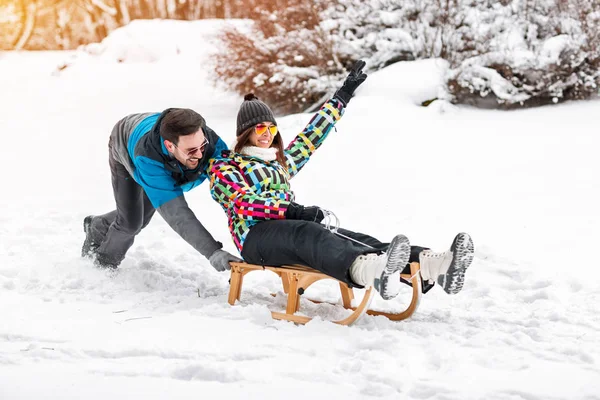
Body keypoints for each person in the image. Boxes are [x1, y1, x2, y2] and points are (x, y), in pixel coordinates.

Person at [208, 60, 475, 300]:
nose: (266, 134)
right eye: (259, 129)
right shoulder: (226, 166)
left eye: (270, 128)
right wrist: (291, 210)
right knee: (309, 233)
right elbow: (242, 202)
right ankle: (370, 272)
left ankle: (435, 265)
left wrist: (343, 96)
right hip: (255, 238)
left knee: (352, 237)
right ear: (245, 132)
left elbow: (311, 137)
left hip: (289, 225)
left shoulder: (280, 163)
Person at [82, 107, 241, 271]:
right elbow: (176, 213)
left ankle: (100, 224)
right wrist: (212, 251)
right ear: (170, 146)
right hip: (124, 142)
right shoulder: (147, 159)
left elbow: (231, 180)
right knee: (131, 222)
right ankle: (103, 266)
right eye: (192, 150)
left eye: (202, 146)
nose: (201, 155)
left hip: (161, 143)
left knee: (142, 213)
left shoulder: (207, 142)